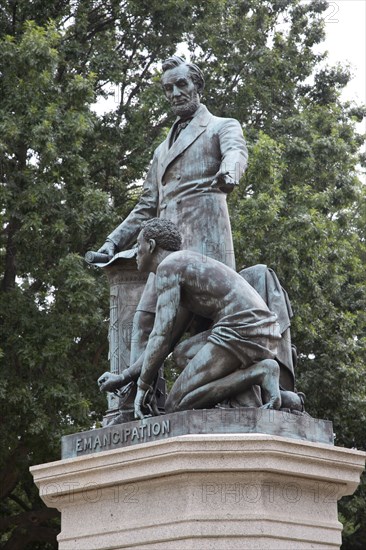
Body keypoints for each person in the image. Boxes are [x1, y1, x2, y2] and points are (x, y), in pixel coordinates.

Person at [97, 55, 248, 364]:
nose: (175, 93)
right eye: (168, 88)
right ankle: (140, 406)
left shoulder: (221, 126)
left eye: (181, 84)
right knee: (144, 323)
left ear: (197, 86)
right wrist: (112, 242)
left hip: (206, 245)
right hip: (166, 254)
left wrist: (230, 172)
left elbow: (236, 152)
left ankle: (222, 398)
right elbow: (145, 207)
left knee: (206, 329)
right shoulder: (160, 150)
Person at [98, 219, 282, 420]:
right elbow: (167, 341)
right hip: (253, 328)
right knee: (183, 353)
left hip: (243, 329)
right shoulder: (183, 266)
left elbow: (159, 335)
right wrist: (124, 377)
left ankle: (261, 372)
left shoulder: (169, 268)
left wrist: (143, 385)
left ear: (150, 245)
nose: (135, 252)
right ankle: (277, 396)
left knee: (176, 406)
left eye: (138, 245)